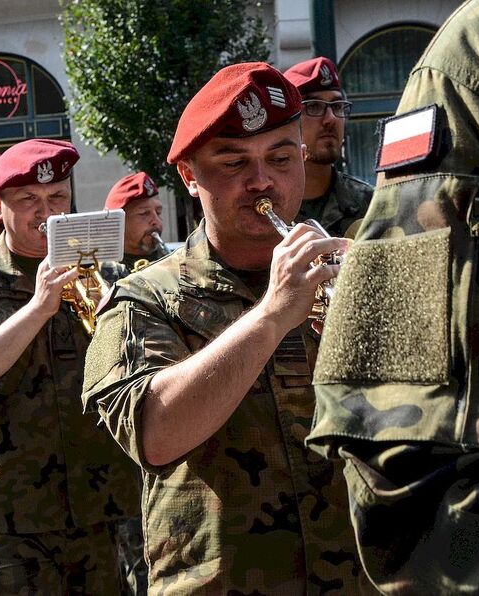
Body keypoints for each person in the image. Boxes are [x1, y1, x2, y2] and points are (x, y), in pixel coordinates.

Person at [82, 63, 371, 594]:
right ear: (191, 177)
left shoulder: (354, 271)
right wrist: (273, 313)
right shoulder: (142, 296)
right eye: (234, 162)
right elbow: (155, 435)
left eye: (280, 158)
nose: (261, 181)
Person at [306, 1, 479, 593]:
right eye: (314, 112)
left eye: (337, 109)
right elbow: (402, 456)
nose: (332, 123)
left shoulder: (360, 196)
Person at [0, 139, 141, 594]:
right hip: (12, 512)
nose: (48, 212)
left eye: (58, 197)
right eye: (29, 201)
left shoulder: (105, 275)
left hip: (103, 502)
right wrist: (39, 307)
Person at [283, 56, 372, 237]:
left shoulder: (371, 204)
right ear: (287, 121)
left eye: (337, 106)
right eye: (314, 106)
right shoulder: (267, 207)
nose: (331, 118)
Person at [105, 171, 168, 271]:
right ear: (117, 222)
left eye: (158, 212)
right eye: (144, 213)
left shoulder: (173, 262)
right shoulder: (98, 270)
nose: (156, 221)